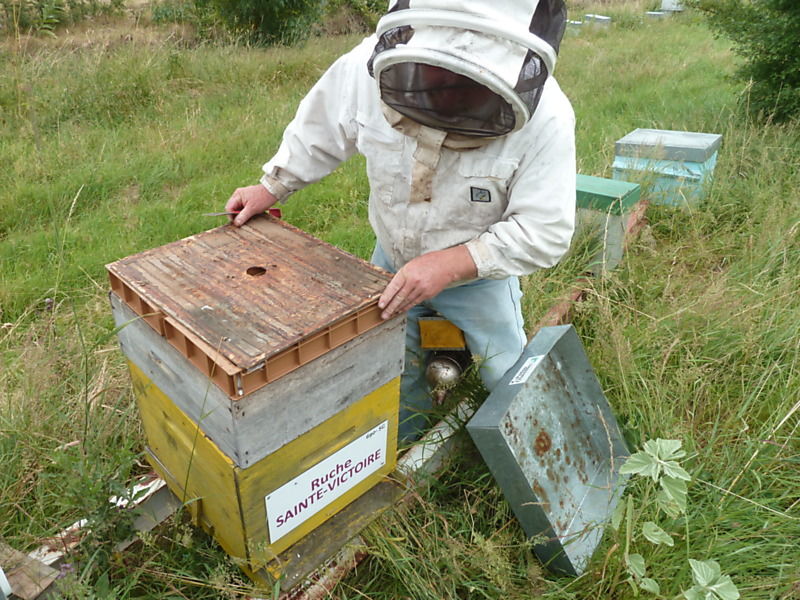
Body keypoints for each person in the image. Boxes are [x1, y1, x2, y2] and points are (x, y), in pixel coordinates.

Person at [226, 0, 576, 441]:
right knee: (391, 363)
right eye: (436, 76)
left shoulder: (548, 118)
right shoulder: (363, 67)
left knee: (504, 371)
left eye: (466, 83)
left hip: (479, 281)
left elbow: (545, 230)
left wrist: (449, 265)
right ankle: (402, 442)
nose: (447, 91)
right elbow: (321, 128)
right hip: (390, 259)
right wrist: (272, 185)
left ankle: (524, 452)